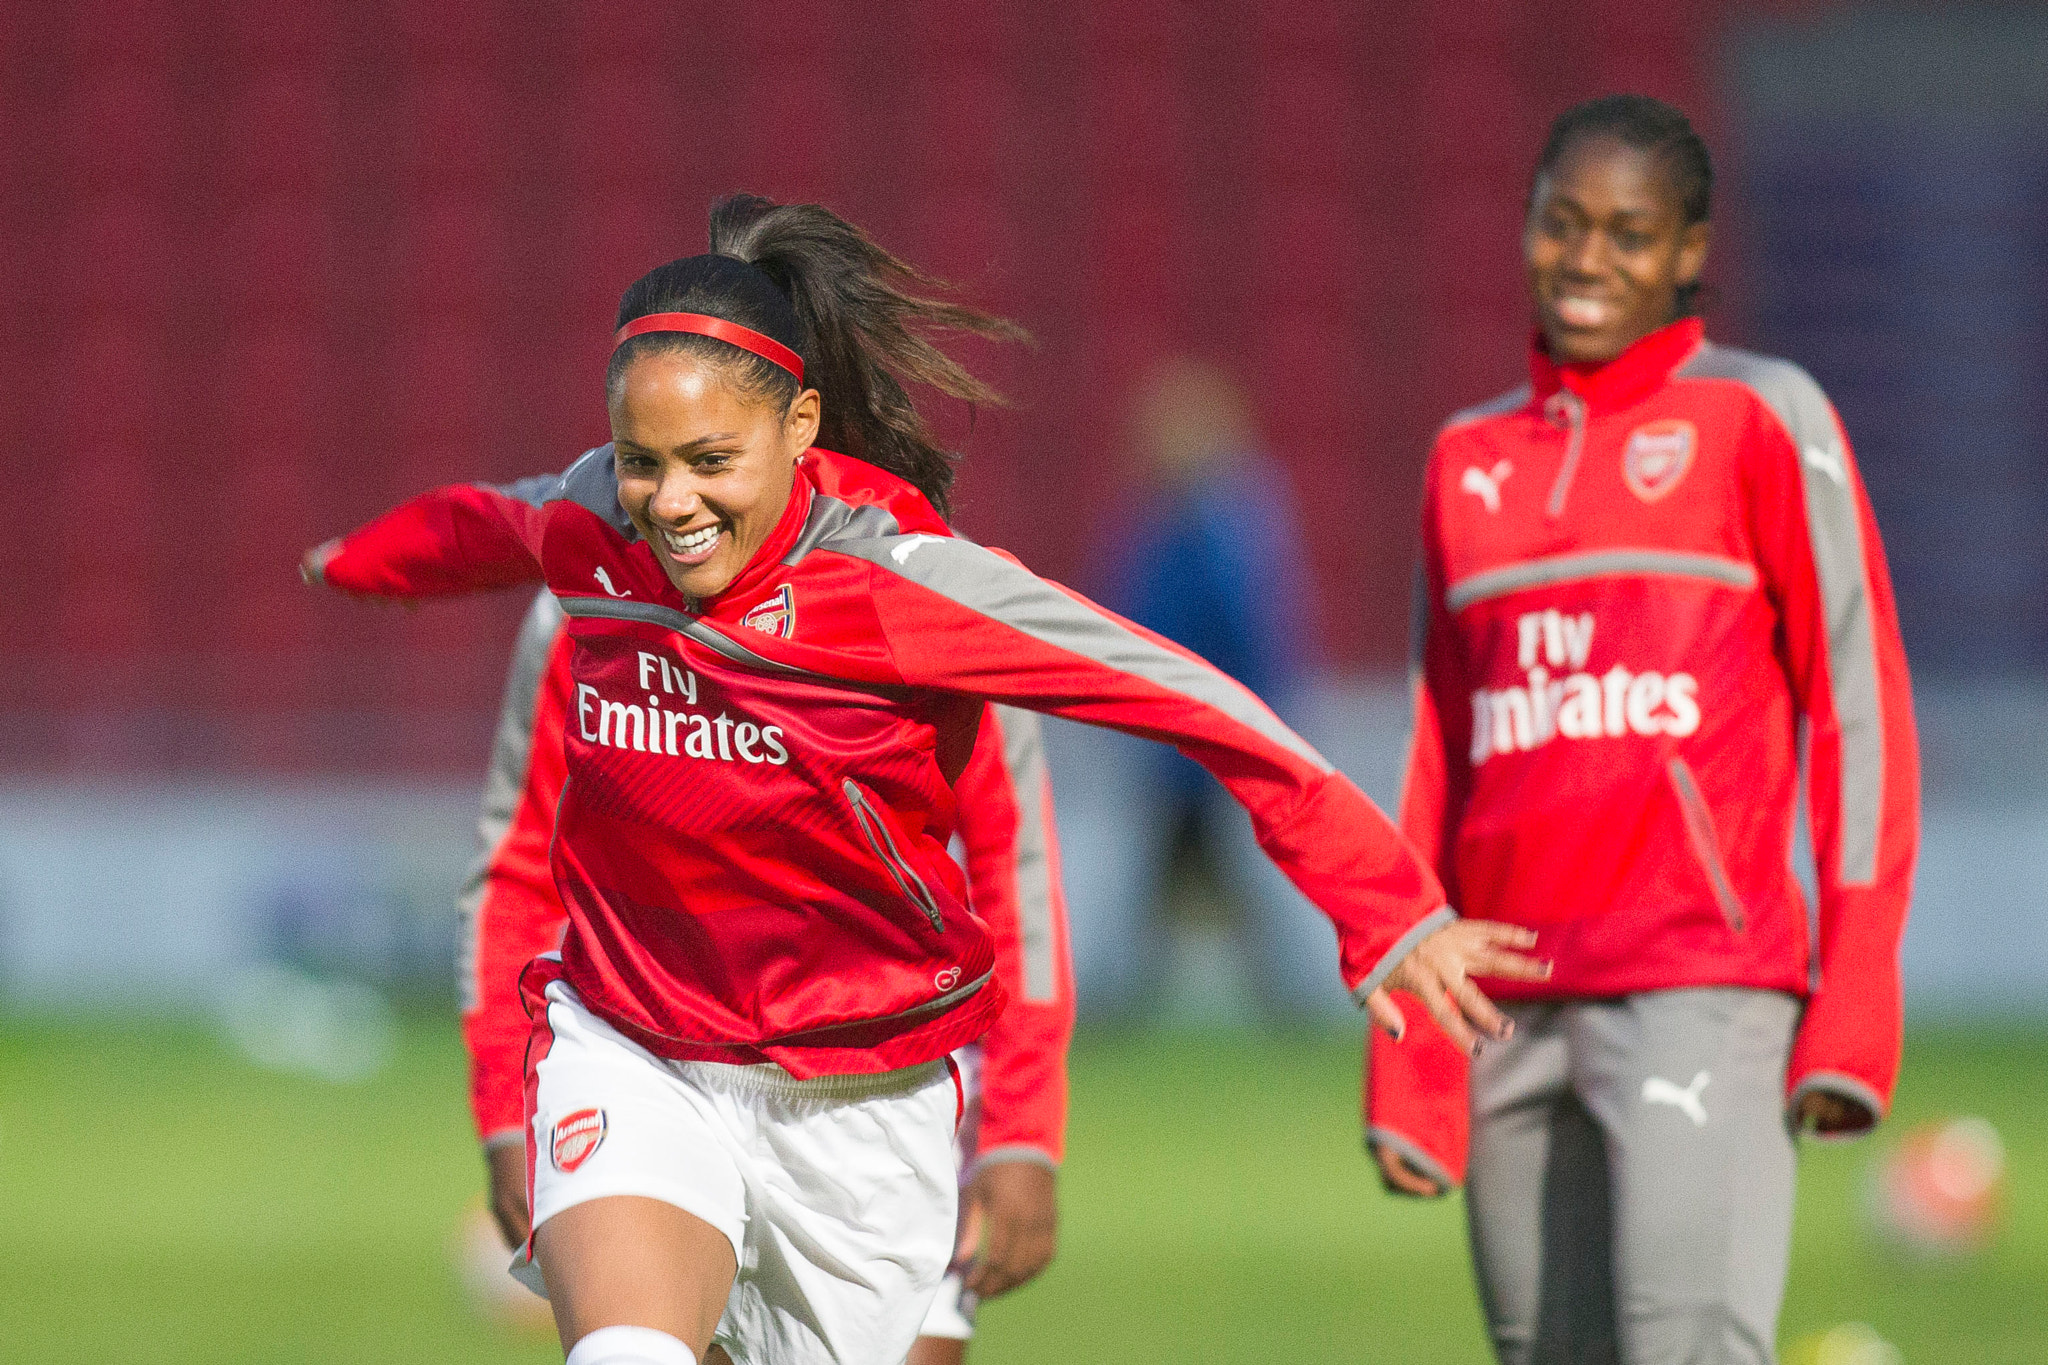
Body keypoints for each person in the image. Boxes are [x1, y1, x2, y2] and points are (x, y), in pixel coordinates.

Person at [305, 193, 1542, 1365]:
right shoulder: (592, 530)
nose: (668, 502)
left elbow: (1190, 702)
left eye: (708, 461)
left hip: (867, 1101)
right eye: (641, 462)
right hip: (634, 1050)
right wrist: (354, 562)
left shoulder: (915, 590)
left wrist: (1382, 907)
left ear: (797, 431)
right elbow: (482, 524)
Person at [1364, 96, 1919, 1365]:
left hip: (1698, 985)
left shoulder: (1761, 417)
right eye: (1561, 224)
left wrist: (1854, 999)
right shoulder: (1464, 459)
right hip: (1504, 1004)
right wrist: (1412, 1057)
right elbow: (1434, 764)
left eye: (1627, 233)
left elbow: (1857, 705)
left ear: (1687, 253)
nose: (1586, 259)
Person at [458, 588, 1076, 1364]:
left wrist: (1021, 1129)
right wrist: (505, 1112)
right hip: (656, 1055)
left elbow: (1013, 875)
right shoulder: (584, 592)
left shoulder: (933, 590)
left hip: (887, 1082)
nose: (675, 496)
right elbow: (517, 863)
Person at [1067, 357, 1339, 1020]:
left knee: (1196, 887)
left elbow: (1247, 632)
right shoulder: (1173, 522)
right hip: (1181, 742)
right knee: (1197, 888)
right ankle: (1285, 1008)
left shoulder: (1223, 525)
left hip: (1210, 740)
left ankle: (1118, 1008)